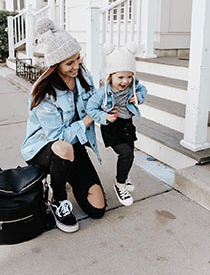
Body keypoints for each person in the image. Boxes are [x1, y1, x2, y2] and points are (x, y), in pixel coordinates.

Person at [21, 18, 106, 233]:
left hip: (73, 145)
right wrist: (89, 118)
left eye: (78, 58)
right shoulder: (43, 94)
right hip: (45, 147)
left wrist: (113, 96)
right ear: (55, 65)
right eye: (69, 63)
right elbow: (59, 135)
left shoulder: (83, 76)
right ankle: (58, 199)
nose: (77, 66)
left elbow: (95, 101)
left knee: (97, 209)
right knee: (64, 148)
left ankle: (64, 173)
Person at [86, 43, 147, 207]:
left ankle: (124, 176)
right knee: (125, 153)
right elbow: (90, 108)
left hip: (127, 124)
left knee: (131, 154)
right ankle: (120, 185)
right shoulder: (103, 93)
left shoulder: (133, 85)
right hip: (112, 127)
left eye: (129, 77)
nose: (125, 81)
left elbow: (143, 90)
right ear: (110, 76)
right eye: (120, 77)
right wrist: (105, 116)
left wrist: (139, 97)